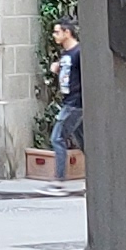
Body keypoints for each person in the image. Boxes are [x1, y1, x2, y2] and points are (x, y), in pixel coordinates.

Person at [45, 21, 84, 191]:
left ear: (67, 32)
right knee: (83, 141)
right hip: (70, 101)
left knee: (57, 138)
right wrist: (57, 68)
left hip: (74, 103)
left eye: (57, 32)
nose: (54, 35)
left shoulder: (79, 52)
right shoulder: (66, 53)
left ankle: (59, 180)